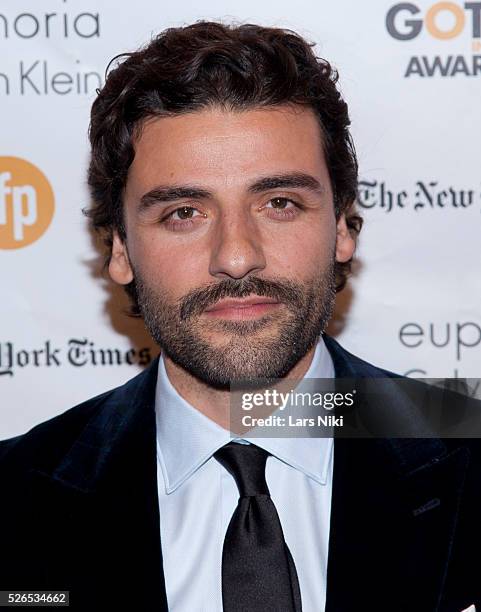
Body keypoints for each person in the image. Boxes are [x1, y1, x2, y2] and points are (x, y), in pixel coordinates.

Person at [1, 20, 480, 612]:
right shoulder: (12, 496)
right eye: (183, 212)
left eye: (279, 204)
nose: (236, 256)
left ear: (341, 228)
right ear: (120, 248)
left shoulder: (467, 457)